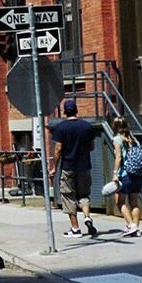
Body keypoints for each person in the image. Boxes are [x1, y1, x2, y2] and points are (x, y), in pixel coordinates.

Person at [49, 99, 99, 238]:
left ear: (65, 112)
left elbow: (58, 149)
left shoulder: (61, 128)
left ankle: (75, 228)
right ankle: (87, 217)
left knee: (68, 196)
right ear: (77, 110)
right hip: (84, 166)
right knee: (84, 194)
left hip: (68, 166)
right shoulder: (87, 127)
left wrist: (54, 167)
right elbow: (92, 146)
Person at [111, 117, 142, 236]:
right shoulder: (134, 139)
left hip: (125, 174)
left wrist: (115, 173)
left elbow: (119, 157)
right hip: (137, 174)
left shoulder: (117, 139)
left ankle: (131, 225)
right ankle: (136, 228)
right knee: (134, 202)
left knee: (119, 201)